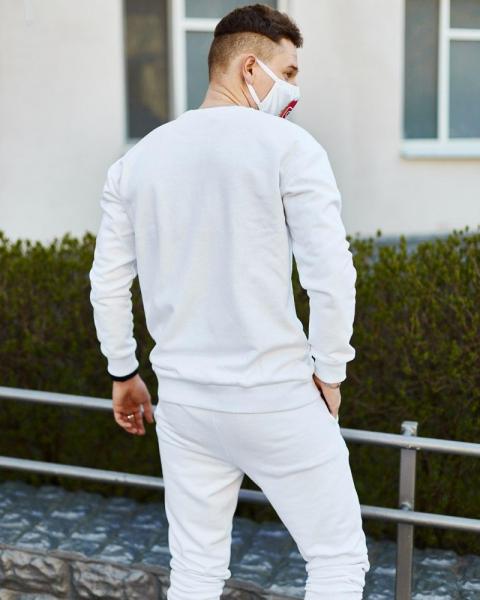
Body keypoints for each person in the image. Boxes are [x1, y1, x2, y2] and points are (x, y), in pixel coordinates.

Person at [89, 3, 370, 598]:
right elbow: (331, 274)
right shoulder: (291, 147)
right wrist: (330, 371)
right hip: (276, 395)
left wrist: (123, 372)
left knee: (195, 572)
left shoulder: (135, 163)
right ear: (248, 68)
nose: (293, 91)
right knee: (337, 561)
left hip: (185, 404)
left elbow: (108, 283)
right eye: (287, 73)